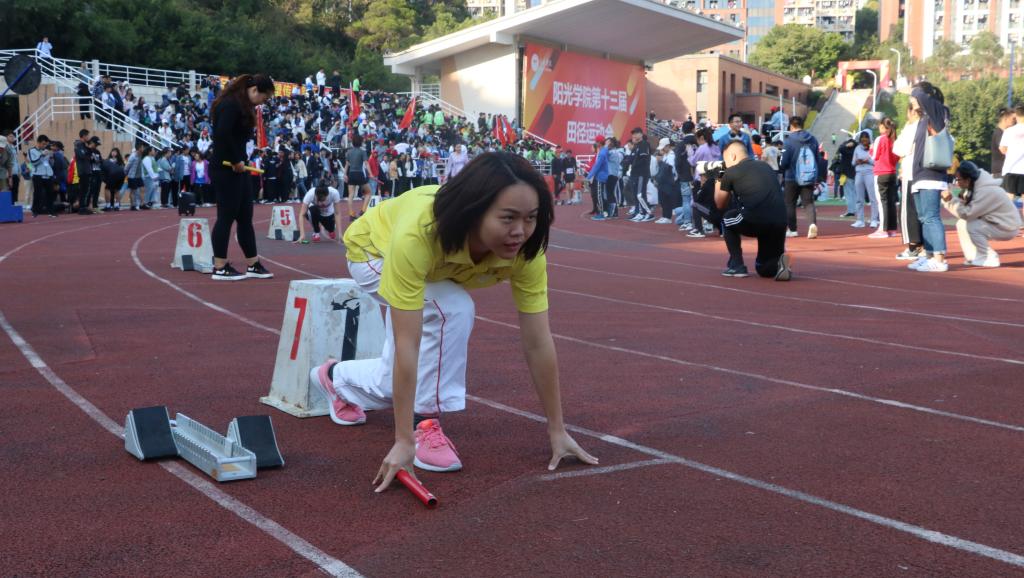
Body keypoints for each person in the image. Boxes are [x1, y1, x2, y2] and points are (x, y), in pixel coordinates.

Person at [313, 152, 598, 490]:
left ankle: (336, 378)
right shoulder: (418, 235)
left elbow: (538, 341)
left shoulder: (527, 251)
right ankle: (424, 424)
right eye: (508, 218)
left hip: (435, 268)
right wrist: (404, 439)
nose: (520, 231)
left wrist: (557, 429)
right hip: (373, 251)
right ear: (473, 210)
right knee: (451, 307)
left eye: (531, 218)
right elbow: (408, 343)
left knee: (395, 381)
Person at [209, 74, 276, 281]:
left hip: (239, 167)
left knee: (245, 217)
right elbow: (222, 135)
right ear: (254, 90)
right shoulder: (230, 104)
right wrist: (235, 159)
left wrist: (240, 161)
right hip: (225, 167)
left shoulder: (243, 106)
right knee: (226, 216)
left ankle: (253, 263)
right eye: (264, 98)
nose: (262, 102)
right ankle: (220, 266)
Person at [715, 141, 792, 281]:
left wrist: (719, 175)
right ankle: (779, 265)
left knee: (727, 219)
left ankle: (737, 266)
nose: (725, 164)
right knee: (764, 269)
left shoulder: (731, 172)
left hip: (757, 218)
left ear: (732, 156)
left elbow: (719, 203)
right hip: (780, 221)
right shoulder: (765, 166)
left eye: (725, 160)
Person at [901, 82, 952, 273]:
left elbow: (922, 97)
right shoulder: (924, 119)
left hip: (931, 174)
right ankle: (929, 256)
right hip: (920, 174)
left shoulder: (938, 112)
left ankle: (939, 259)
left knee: (931, 217)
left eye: (914, 98)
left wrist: (914, 90)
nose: (912, 100)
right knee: (923, 217)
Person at [943, 161, 1022, 267]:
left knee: (972, 226)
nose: (956, 183)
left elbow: (967, 214)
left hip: (1008, 226)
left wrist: (950, 200)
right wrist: (955, 198)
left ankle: (989, 257)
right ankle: (974, 257)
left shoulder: (985, 190)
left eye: (958, 179)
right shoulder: (977, 186)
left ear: (968, 180)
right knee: (962, 223)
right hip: (998, 222)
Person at [778, 116, 820, 239]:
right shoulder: (813, 139)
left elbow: (784, 162)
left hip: (791, 176)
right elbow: (817, 158)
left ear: (791, 126)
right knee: (808, 202)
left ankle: (793, 230)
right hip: (809, 175)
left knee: (790, 203)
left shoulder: (788, 140)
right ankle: (812, 224)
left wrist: (782, 167)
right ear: (803, 125)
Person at [870, 118, 900, 238]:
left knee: (882, 201)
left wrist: (871, 148)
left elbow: (874, 156)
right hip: (892, 172)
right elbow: (897, 156)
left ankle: (883, 229)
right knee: (891, 201)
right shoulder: (895, 139)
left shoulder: (880, 139)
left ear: (883, 126)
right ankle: (892, 229)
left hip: (881, 172)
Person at [851, 130, 877, 229]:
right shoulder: (857, 148)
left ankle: (874, 219)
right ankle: (860, 220)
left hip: (870, 173)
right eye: (862, 137)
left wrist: (868, 160)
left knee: (872, 197)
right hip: (859, 173)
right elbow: (852, 163)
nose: (864, 139)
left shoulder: (873, 148)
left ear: (870, 138)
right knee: (859, 198)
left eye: (866, 137)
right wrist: (857, 161)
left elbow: (876, 162)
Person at [628, 127, 654, 222]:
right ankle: (640, 212)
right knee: (636, 194)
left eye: (636, 133)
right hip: (635, 173)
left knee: (640, 194)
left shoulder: (644, 144)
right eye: (633, 134)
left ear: (641, 134)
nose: (634, 135)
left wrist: (634, 165)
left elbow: (643, 159)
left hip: (641, 173)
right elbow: (631, 159)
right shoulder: (637, 145)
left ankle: (648, 213)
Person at [999, 105, 1024, 203]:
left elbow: (1002, 149)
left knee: (1009, 198)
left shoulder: (1009, 131)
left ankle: (1008, 214)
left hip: (1010, 169)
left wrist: (1012, 153)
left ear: (1016, 116)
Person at [28, 135, 55, 217]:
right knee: (37, 193)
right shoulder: (31, 151)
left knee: (50, 193)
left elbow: (50, 164)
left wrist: (51, 157)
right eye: (43, 144)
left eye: (46, 144)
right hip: (38, 174)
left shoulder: (46, 150)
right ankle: (35, 211)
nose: (44, 146)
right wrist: (42, 155)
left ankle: (51, 211)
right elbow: (33, 162)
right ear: (38, 142)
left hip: (48, 174)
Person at [991, 108, 1015, 179]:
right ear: (1006, 119)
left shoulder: (1004, 133)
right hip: (1000, 172)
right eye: (1013, 119)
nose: (1015, 121)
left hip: (1004, 171)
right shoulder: (999, 133)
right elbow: (1003, 150)